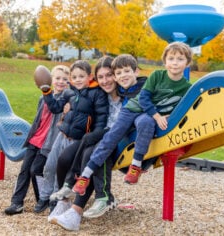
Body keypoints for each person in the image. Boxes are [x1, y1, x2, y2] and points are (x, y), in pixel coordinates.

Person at [72, 42, 193, 198]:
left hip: (146, 115)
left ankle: (136, 166)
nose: (175, 63)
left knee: (145, 123)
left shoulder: (186, 87)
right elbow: (143, 98)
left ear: (187, 62)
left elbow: (179, 108)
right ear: (165, 61)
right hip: (133, 108)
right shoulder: (157, 76)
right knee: (112, 136)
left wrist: (166, 117)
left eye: (180, 59)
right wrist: (157, 116)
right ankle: (85, 176)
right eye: (171, 58)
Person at [49, 54, 148, 230]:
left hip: (119, 141)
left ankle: (75, 213)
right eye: (101, 77)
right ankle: (64, 201)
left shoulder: (128, 93)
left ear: (116, 75)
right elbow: (80, 95)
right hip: (98, 135)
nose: (105, 80)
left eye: (109, 75)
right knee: (65, 157)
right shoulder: (101, 94)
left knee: (91, 155)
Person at [35, 60, 109, 212]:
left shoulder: (97, 94)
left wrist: (95, 135)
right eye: (74, 77)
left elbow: (101, 118)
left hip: (77, 139)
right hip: (62, 135)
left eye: (81, 76)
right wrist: (47, 92)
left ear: (89, 76)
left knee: (61, 170)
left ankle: (55, 200)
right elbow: (55, 108)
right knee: (49, 166)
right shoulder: (69, 92)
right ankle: (44, 197)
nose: (77, 80)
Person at [4, 65, 70, 215]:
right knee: (24, 171)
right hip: (36, 139)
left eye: (65, 79)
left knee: (36, 170)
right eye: (57, 78)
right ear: (51, 80)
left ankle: (43, 198)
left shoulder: (66, 100)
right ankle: (16, 203)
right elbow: (38, 120)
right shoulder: (43, 97)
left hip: (49, 143)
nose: (61, 82)